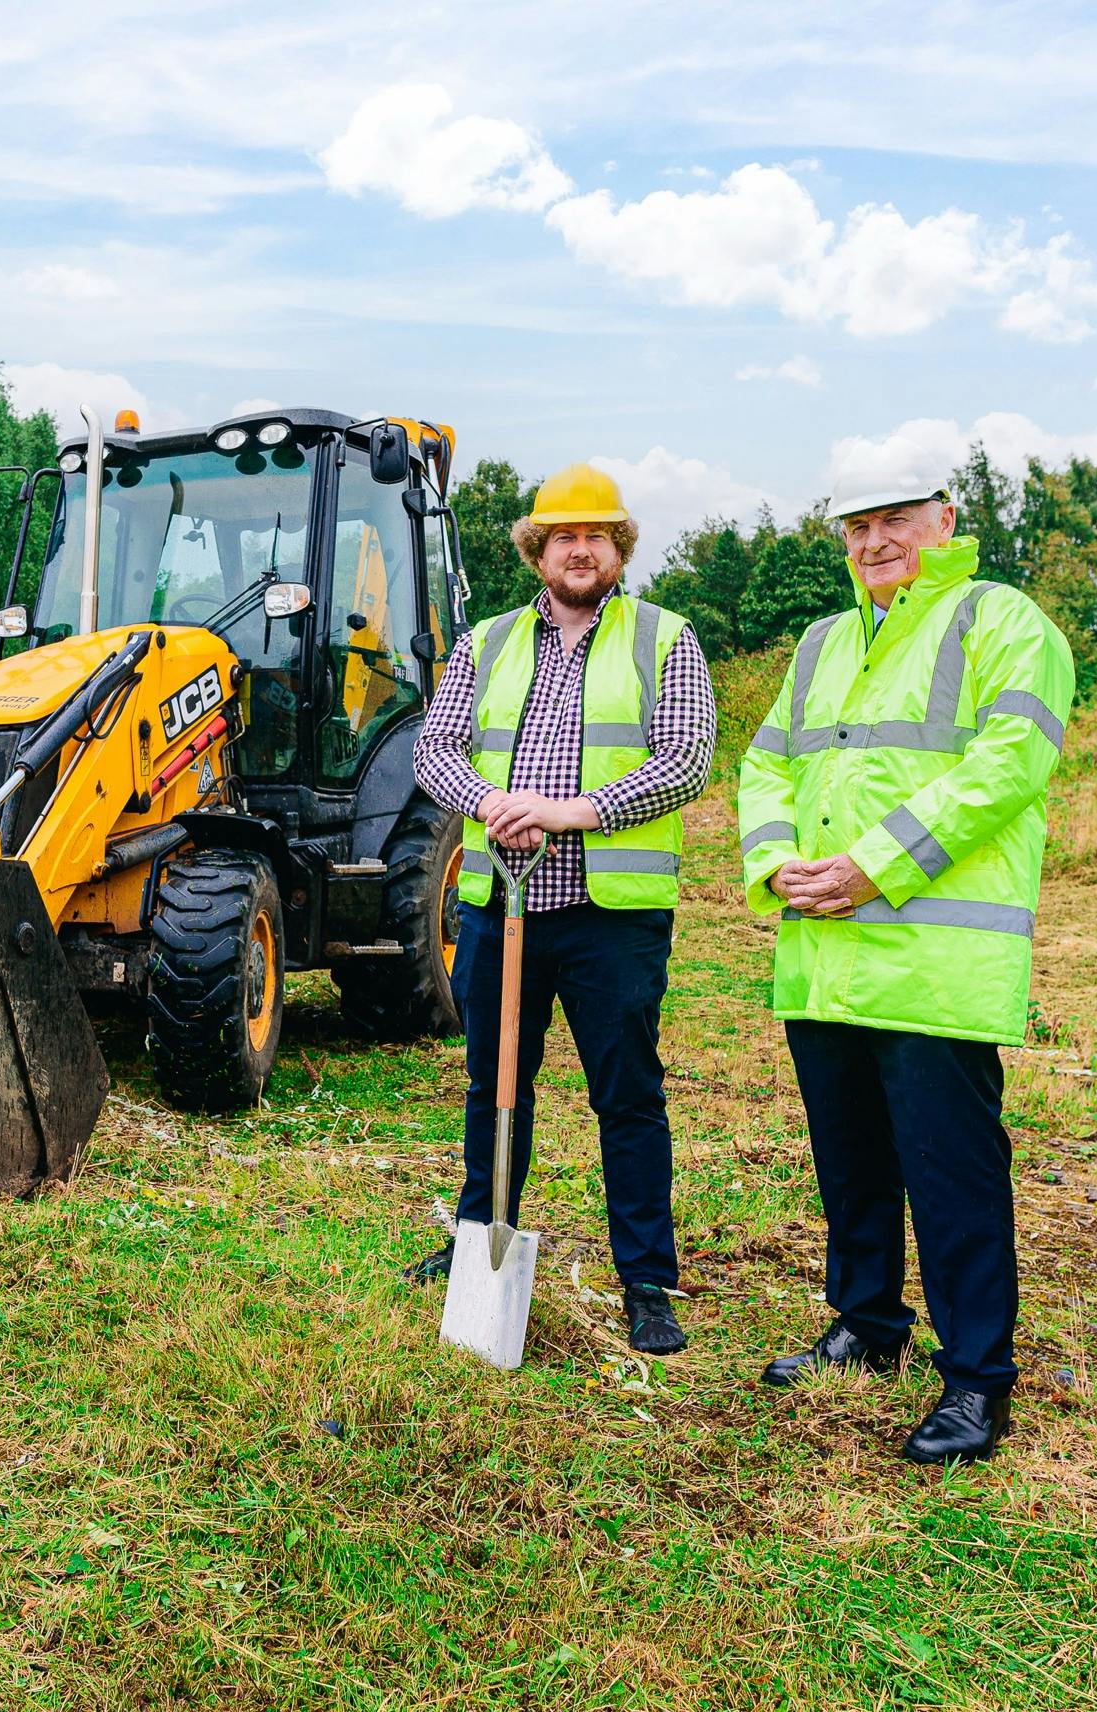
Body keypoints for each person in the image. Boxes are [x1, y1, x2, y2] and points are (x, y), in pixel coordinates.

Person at [737, 455, 1075, 1464]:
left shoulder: (1001, 622)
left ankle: (976, 1379)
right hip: (824, 955)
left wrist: (870, 867)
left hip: (934, 962)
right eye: (854, 526)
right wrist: (775, 863)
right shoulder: (820, 642)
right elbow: (764, 764)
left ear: (944, 518)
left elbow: (1005, 768)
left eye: (892, 519)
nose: (872, 540)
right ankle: (866, 1325)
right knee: (850, 1163)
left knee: (950, 1173)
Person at [405, 464, 717, 1356]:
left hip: (608, 914)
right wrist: (495, 803)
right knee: (492, 1085)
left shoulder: (666, 638)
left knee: (627, 1095)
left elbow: (685, 758)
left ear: (617, 548)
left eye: (596, 536)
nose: (579, 550)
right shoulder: (488, 641)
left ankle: (646, 1282)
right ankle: (478, 1240)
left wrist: (569, 813)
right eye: (561, 537)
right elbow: (437, 751)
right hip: (500, 907)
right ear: (537, 551)